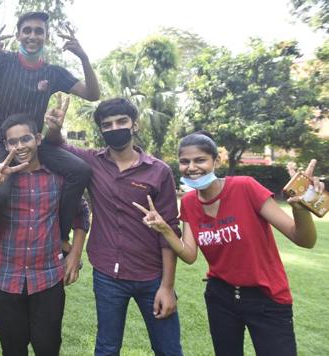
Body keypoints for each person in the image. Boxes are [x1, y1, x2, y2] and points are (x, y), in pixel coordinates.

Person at [132, 131, 324, 356]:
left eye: (200, 160)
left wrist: (300, 210)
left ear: (216, 161)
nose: (191, 167)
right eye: (185, 161)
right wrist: (165, 229)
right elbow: (190, 255)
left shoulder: (245, 187)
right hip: (220, 298)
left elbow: (303, 239)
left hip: (267, 298)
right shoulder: (190, 202)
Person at [45, 97, 183, 355]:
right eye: (107, 124)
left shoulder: (159, 171)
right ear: (101, 129)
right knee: (107, 347)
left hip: (151, 275)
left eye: (121, 121)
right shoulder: (91, 161)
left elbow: (170, 231)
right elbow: (56, 145)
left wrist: (167, 286)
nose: (114, 128)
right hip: (108, 274)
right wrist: (54, 128)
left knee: (168, 348)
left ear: (135, 125)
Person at [0, 11, 99, 264]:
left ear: (46, 38)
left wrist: (83, 57)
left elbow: (92, 94)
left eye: (39, 31)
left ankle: (60, 234)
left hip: (35, 144)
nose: (32, 36)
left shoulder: (54, 73)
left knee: (80, 170)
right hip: (1, 143)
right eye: (27, 30)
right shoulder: (3, 61)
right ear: (18, 35)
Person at [0, 114, 89, 355]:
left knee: (48, 348)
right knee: (12, 349)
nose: (19, 146)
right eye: (12, 141)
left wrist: (74, 254)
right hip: (5, 278)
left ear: (38, 139)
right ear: (5, 145)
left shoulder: (57, 177)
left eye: (25, 139)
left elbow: (81, 214)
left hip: (47, 278)